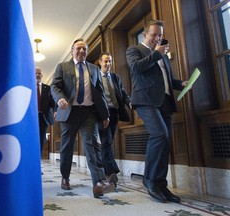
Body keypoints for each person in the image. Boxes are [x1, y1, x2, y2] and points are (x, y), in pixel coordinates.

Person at [126, 20, 188, 203]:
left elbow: (166, 78)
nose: (157, 38)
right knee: (159, 135)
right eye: (154, 35)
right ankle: (150, 180)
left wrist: (180, 84)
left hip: (165, 101)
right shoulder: (134, 50)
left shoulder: (163, 55)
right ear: (145, 35)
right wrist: (156, 54)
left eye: (160, 35)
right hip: (145, 100)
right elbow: (136, 68)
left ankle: (161, 184)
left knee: (165, 142)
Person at [51, 38, 115, 198]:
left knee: (92, 145)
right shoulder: (63, 67)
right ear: (72, 51)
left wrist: (105, 114)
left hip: (89, 113)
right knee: (67, 146)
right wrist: (59, 98)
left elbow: (100, 93)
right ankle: (65, 176)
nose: (81, 51)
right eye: (78, 48)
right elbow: (55, 86)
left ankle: (98, 183)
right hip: (70, 112)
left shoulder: (94, 69)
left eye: (84, 49)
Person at [98, 52, 131, 185]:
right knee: (106, 141)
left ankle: (104, 171)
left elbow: (122, 92)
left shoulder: (115, 77)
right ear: (100, 62)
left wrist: (129, 101)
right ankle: (111, 172)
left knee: (108, 141)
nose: (108, 64)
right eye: (105, 61)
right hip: (103, 113)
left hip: (115, 112)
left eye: (110, 61)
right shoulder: (96, 77)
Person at [36, 67, 56, 157]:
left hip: (43, 118)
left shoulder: (48, 88)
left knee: (40, 140)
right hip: (31, 119)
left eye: (39, 73)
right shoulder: (28, 88)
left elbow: (53, 102)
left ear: (42, 75)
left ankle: (38, 166)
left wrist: (55, 111)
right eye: (35, 73)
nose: (37, 75)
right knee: (30, 140)